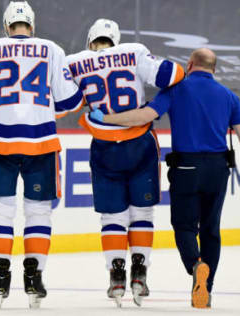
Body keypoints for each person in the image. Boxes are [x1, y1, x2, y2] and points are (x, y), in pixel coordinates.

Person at [90, 48, 240, 309]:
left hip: (187, 166)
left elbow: (144, 116)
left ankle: (196, 265)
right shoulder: (229, 96)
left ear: (189, 64)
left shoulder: (176, 89)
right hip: (219, 168)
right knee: (211, 230)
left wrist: (105, 119)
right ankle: (205, 290)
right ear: (214, 69)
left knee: (185, 228)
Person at [0, 1, 83, 309]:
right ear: (32, 25)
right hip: (40, 141)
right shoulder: (51, 49)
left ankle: (0, 273)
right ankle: (34, 275)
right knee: (38, 211)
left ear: (5, 25)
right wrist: (48, 106)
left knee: (0, 210)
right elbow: (70, 101)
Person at [66, 18, 185, 307]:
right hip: (139, 144)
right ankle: (140, 273)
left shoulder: (73, 62)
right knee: (142, 212)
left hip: (105, 147)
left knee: (112, 216)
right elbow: (173, 75)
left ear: (90, 41)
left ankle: (116, 274)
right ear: (115, 40)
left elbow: (61, 100)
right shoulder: (133, 51)